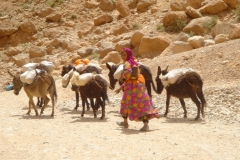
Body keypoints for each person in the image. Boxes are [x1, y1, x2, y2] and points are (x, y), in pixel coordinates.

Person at [115, 48, 160, 131]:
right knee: (142, 105)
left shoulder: (127, 63)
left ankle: (125, 122)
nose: (122, 56)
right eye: (122, 55)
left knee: (126, 103)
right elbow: (132, 78)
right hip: (139, 86)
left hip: (132, 88)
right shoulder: (133, 62)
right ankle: (144, 124)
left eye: (124, 54)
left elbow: (128, 74)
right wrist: (120, 87)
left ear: (128, 54)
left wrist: (122, 76)